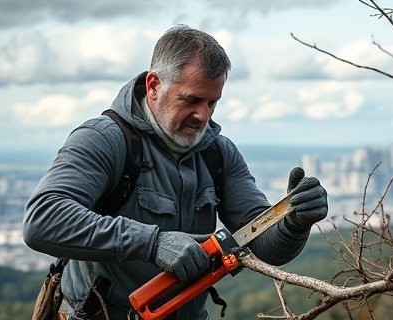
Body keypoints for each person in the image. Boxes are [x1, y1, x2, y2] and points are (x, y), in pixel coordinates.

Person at [23, 25, 328, 320]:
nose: (203, 116)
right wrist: (152, 243)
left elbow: (263, 244)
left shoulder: (218, 153)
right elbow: (43, 220)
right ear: (154, 86)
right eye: (192, 100)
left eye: (212, 102)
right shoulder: (104, 139)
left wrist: (294, 222)